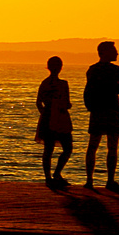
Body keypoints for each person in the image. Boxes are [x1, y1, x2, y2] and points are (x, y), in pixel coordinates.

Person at [84, 41, 119, 192]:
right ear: (105, 52)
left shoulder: (93, 70)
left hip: (99, 110)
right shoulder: (115, 70)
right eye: (114, 51)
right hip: (109, 110)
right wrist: (110, 89)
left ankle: (91, 180)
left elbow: (88, 91)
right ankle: (108, 180)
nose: (117, 53)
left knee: (95, 145)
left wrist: (92, 105)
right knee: (109, 146)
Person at [35, 57, 73, 189]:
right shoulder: (62, 84)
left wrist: (45, 113)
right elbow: (67, 103)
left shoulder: (45, 83)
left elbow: (39, 103)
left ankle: (50, 177)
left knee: (49, 150)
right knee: (66, 148)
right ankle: (55, 175)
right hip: (59, 117)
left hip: (50, 117)